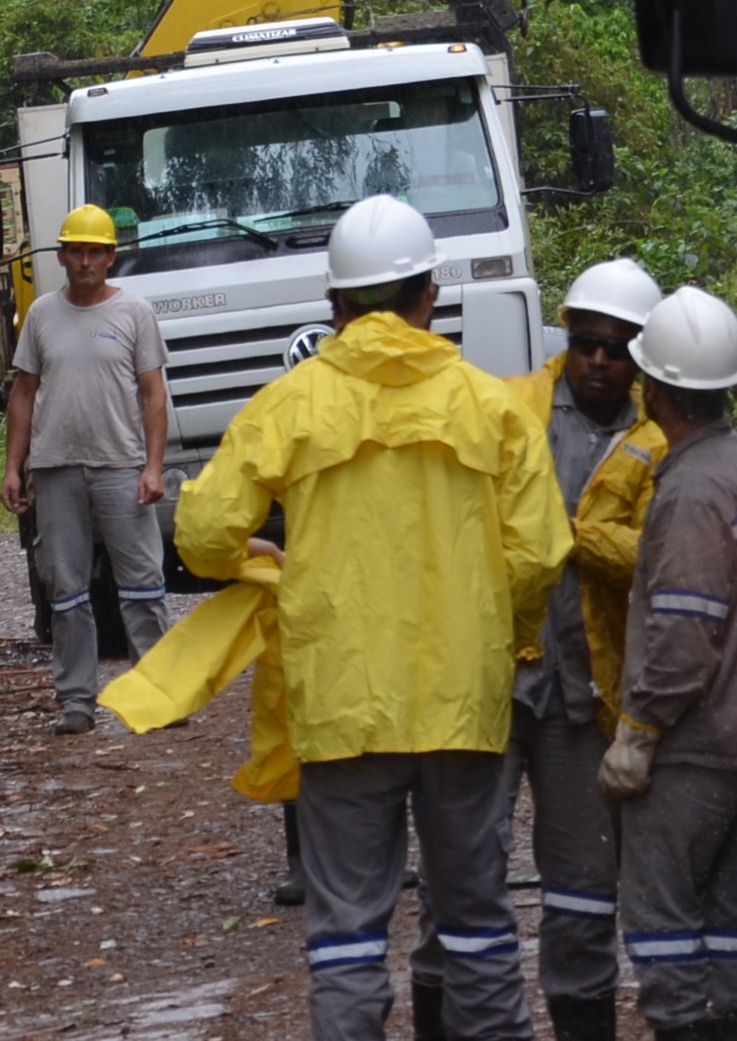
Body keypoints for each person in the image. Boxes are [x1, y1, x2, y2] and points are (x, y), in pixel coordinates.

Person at [175, 194, 571, 1041]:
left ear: (335, 307)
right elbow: (539, 555)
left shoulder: (290, 404)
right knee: (477, 922)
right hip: (463, 704)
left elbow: (203, 536)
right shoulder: (491, 405)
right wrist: (498, 632)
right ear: (431, 295)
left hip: (342, 706)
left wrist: (261, 562)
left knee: (348, 934)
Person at [418, 257, 667, 1041]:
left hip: (584, 699)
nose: (600, 358)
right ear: (567, 334)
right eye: (587, 340)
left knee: (585, 891)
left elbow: (657, 558)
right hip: (490, 682)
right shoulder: (508, 405)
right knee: (457, 878)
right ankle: (438, 1017)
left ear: (643, 357)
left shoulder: (660, 440)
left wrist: (568, 532)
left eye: (618, 347)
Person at [597, 285, 737, 1041]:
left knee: (663, 922)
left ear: (656, 389)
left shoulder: (691, 490)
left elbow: (682, 633)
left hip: (694, 750)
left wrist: (638, 731)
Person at [0, 201, 170, 735]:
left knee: (142, 584)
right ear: (63, 255)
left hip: (120, 464)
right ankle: (77, 701)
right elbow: (23, 394)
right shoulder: (43, 315)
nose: (85, 261)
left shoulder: (135, 313)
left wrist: (154, 466)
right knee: (67, 589)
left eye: (95, 252)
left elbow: (153, 394)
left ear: (111, 258)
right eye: (76, 251)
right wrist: (13, 467)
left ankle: (160, 694)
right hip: (55, 469)